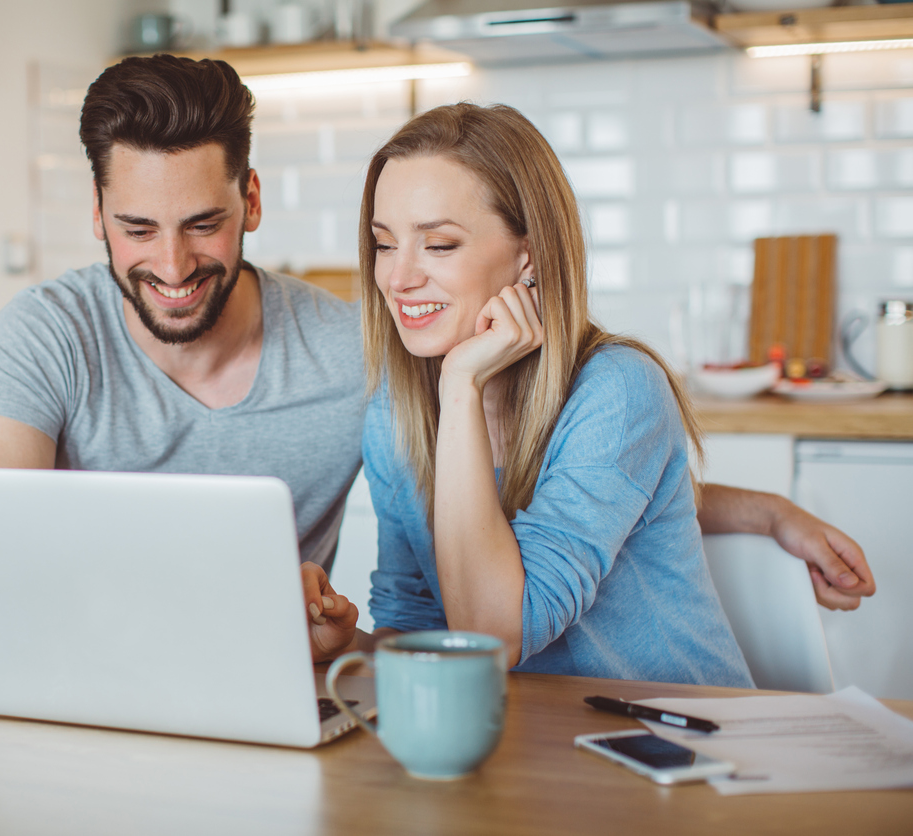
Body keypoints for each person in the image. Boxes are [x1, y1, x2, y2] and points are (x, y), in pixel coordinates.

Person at [0, 55, 873, 653]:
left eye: (202, 223)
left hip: (643, 746)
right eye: (383, 241)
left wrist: (747, 508)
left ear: (252, 203)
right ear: (97, 219)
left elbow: (563, 496)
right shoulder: (51, 336)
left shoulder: (365, 364)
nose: (170, 265)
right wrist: (347, 644)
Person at [300, 103, 866, 686]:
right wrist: (353, 646)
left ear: (530, 255)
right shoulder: (396, 414)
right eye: (385, 244)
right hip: (531, 746)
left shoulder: (617, 390)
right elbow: (419, 626)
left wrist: (462, 388)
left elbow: (493, 634)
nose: (397, 278)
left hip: (682, 740)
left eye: (439, 245)